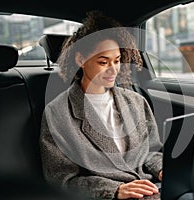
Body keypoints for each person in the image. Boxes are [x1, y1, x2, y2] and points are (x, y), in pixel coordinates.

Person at [39, 10, 163, 200]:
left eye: (117, 60)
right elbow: (62, 179)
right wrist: (114, 190)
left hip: (152, 188)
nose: (113, 69)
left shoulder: (137, 101)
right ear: (81, 60)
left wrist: (162, 169)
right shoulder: (57, 112)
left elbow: (151, 151)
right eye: (103, 62)